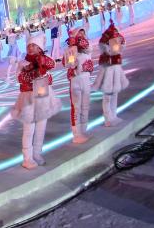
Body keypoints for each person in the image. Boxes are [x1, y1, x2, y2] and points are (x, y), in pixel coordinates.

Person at [11, 35, 60, 169]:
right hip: (28, 98)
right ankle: (27, 158)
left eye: (34, 45)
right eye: (29, 46)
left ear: (40, 48)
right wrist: (34, 72)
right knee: (29, 129)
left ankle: (37, 154)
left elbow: (52, 64)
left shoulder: (45, 59)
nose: (31, 48)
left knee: (40, 128)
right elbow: (19, 78)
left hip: (42, 97)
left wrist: (41, 62)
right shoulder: (23, 63)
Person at [93, 22, 129, 127]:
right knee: (108, 95)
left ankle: (114, 115)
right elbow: (104, 48)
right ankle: (108, 118)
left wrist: (120, 44)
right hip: (107, 68)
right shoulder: (104, 46)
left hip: (116, 68)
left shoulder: (118, 40)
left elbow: (121, 47)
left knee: (115, 94)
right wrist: (109, 49)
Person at [64, 27, 94, 143]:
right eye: (79, 34)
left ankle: (83, 130)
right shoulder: (70, 50)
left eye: (83, 33)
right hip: (76, 80)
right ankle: (76, 134)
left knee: (85, 106)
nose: (81, 35)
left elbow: (88, 48)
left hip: (86, 80)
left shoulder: (87, 49)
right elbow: (68, 63)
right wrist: (72, 59)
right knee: (76, 107)